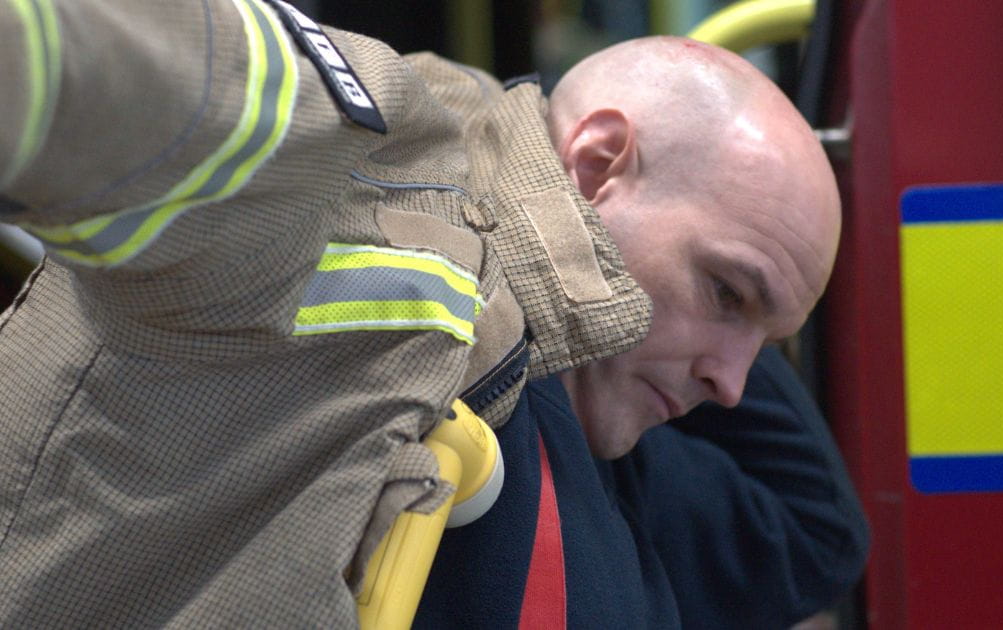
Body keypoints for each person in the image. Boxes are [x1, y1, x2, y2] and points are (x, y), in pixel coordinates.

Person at [0, 1, 861, 627]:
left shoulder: (613, 427)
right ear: (599, 163)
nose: (735, 385)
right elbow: (104, 58)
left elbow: (819, 531)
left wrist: (531, 140)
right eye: (728, 293)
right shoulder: (371, 187)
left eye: (767, 338)